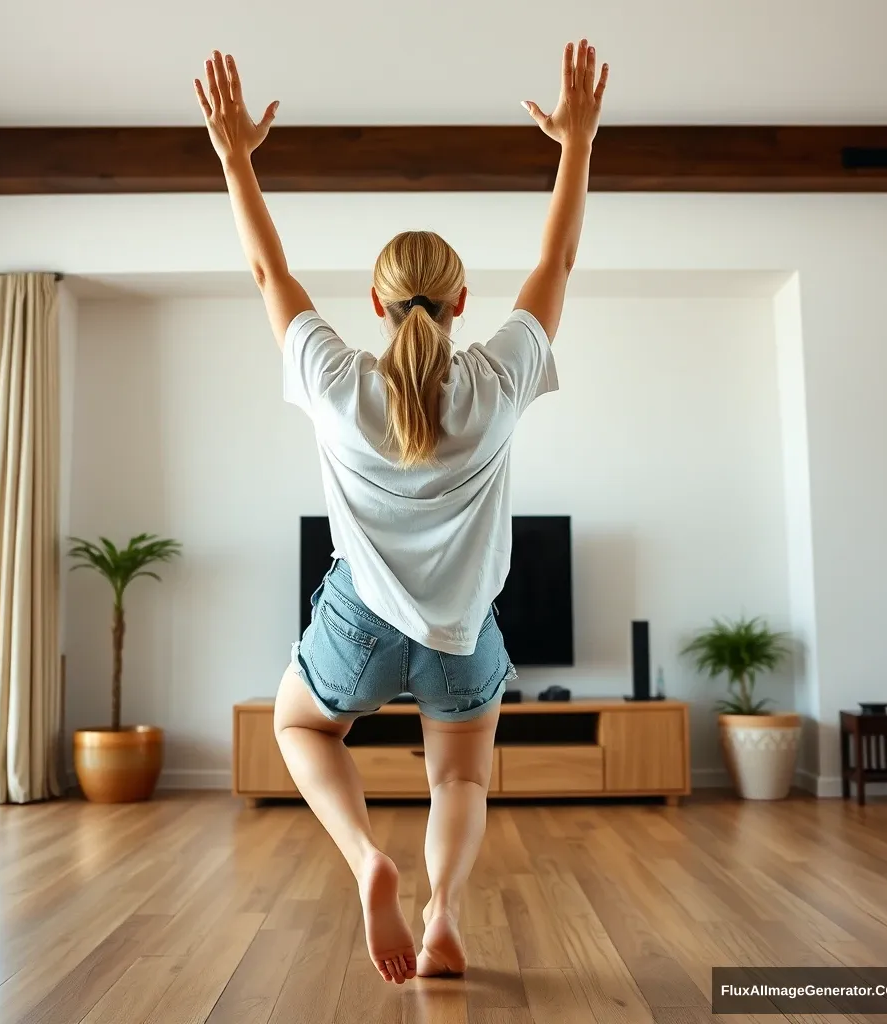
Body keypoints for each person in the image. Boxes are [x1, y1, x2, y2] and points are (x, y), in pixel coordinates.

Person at [194, 39, 608, 985]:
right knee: (460, 777)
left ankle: (365, 860)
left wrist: (234, 157)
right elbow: (561, 257)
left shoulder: (335, 381)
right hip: (463, 636)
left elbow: (268, 275)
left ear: (376, 306)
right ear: (463, 302)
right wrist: (575, 143)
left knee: (299, 730)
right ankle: (445, 911)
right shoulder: (499, 379)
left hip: (358, 625)